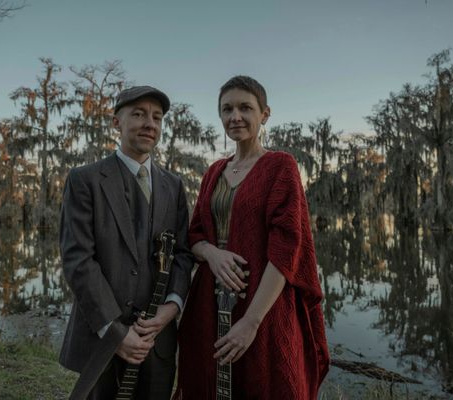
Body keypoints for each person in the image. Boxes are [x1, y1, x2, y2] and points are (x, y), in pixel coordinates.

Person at [174, 76, 330, 400]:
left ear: (265, 114)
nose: (235, 117)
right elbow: (195, 235)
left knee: (265, 383)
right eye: (227, 109)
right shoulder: (214, 172)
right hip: (209, 301)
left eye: (245, 108)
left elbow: (287, 248)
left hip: (264, 303)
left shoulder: (280, 166)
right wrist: (213, 255)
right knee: (209, 382)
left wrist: (251, 322)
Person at [59, 86, 193, 400]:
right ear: (116, 122)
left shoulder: (173, 186)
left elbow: (183, 254)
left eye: (157, 117)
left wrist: (171, 307)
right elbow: (78, 259)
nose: (150, 123)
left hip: (156, 341)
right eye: (139, 114)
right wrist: (116, 333)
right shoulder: (85, 180)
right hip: (101, 339)